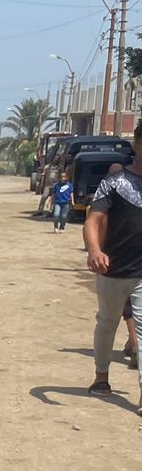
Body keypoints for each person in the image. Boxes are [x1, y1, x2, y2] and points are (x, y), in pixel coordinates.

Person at [84, 126, 142, 405]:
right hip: (114, 269)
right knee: (108, 322)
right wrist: (94, 250)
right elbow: (92, 220)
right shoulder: (115, 183)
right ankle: (101, 375)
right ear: (137, 145)